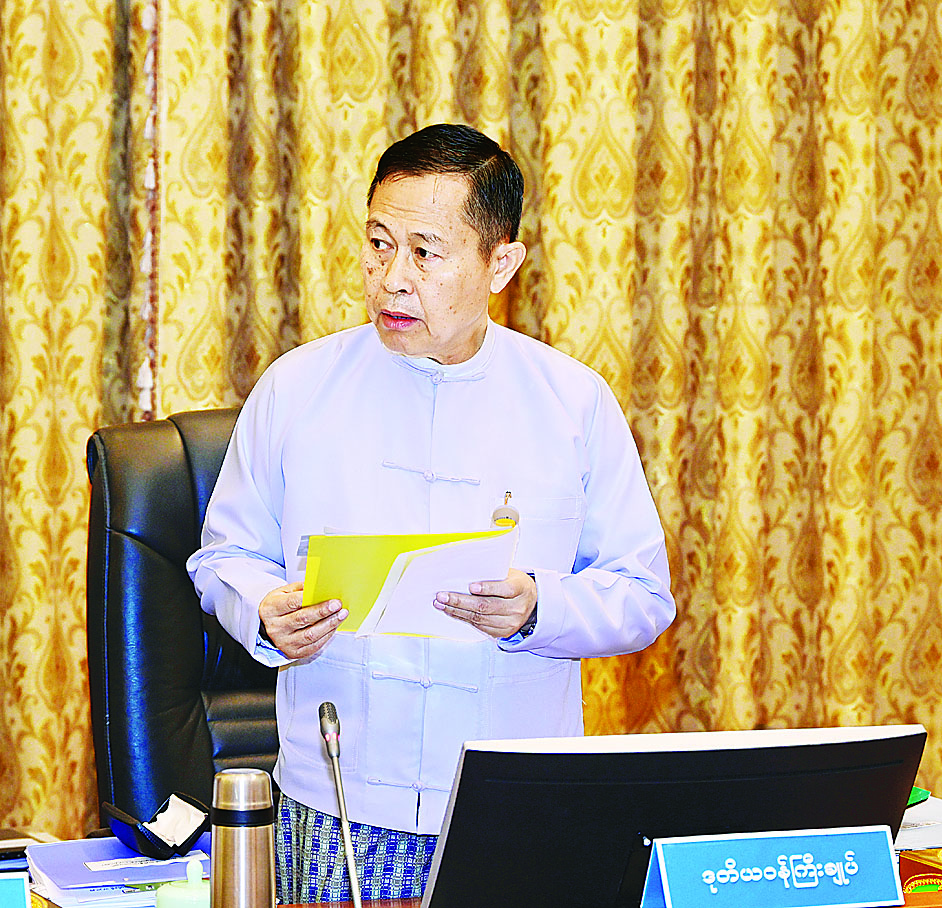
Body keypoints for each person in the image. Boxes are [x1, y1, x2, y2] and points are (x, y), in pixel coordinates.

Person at [186, 123, 675, 903]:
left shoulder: (572, 403)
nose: (393, 280)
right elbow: (223, 557)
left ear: (500, 263)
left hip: (514, 804)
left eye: (426, 252)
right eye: (379, 244)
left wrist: (538, 608)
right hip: (339, 803)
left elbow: (642, 595)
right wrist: (265, 610)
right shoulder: (298, 388)